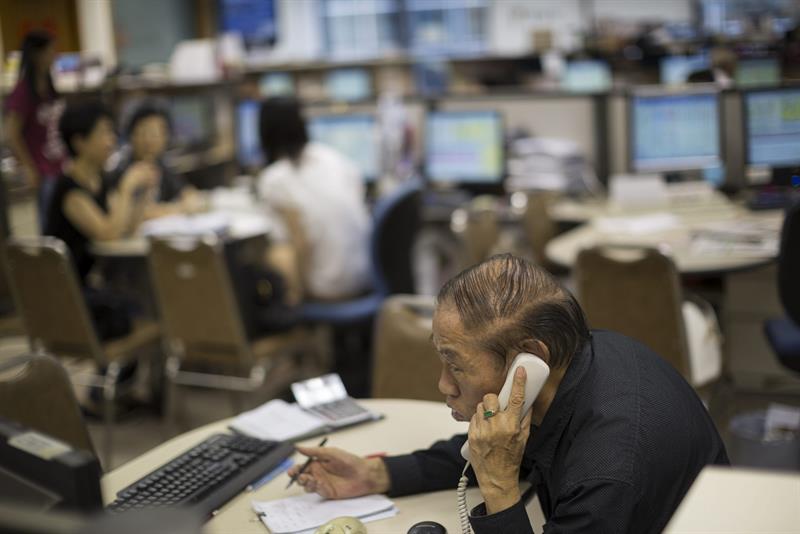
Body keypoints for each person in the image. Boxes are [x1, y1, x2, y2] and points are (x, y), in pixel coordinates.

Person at [289, 254, 729, 533]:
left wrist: (499, 487)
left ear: (528, 359)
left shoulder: (607, 469)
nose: (443, 385)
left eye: (456, 364)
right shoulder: (577, 361)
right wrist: (375, 475)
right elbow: (499, 443)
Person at [256, 97, 371, 302]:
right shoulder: (332, 157)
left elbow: (300, 244)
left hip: (330, 288)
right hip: (368, 278)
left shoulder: (275, 179)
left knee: (267, 261)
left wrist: (295, 296)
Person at [46, 100, 156, 286]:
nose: (112, 141)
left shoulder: (100, 179)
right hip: (71, 288)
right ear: (79, 142)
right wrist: (126, 187)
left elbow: (126, 228)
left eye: (112, 133)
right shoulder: (70, 188)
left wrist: (143, 192)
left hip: (95, 282)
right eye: (104, 133)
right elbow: (107, 235)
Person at [3, 30, 66, 230]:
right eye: (50, 51)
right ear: (36, 55)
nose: (54, 56)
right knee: (48, 223)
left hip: (59, 164)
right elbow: (12, 134)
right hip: (42, 168)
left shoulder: (49, 88)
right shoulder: (23, 92)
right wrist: (28, 167)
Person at [107, 102, 202, 220]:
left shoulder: (160, 166)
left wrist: (189, 201)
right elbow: (134, 215)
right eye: (144, 132)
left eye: (157, 133)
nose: (150, 140)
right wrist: (179, 209)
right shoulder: (122, 170)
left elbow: (187, 192)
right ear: (131, 135)